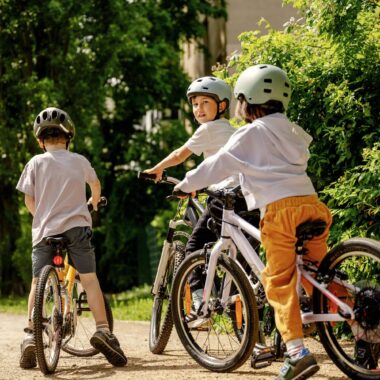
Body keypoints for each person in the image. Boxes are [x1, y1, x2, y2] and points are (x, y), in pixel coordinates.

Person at [174, 64, 333, 380]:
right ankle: (363, 333)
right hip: (312, 206)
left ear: (248, 100)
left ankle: (298, 353)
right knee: (320, 276)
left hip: (280, 212)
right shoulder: (292, 129)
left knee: (278, 281)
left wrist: (187, 184)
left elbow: (218, 165)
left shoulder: (250, 132)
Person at [16, 107, 127, 369]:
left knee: (36, 281)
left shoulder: (35, 162)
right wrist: (94, 203)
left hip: (44, 232)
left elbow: (28, 199)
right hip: (77, 229)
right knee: (89, 279)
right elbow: (96, 185)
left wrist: (41, 216)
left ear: (40, 141)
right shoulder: (79, 161)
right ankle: (102, 330)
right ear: (68, 138)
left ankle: (32, 334)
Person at [145, 76, 248, 320]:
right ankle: (242, 316)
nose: (198, 109)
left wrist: (156, 169)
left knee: (194, 247)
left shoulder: (208, 129)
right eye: (194, 104)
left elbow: (181, 154)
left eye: (205, 103)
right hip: (245, 196)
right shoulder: (231, 130)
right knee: (239, 258)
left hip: (223, 198)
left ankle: (200, 304)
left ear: (222, 106)